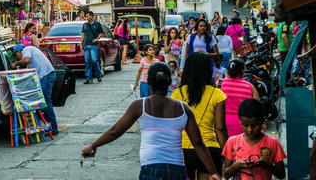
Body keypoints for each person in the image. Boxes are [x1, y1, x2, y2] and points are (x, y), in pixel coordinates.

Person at [82, 62, 222, 180]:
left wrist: (93, 145)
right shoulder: (183, 108)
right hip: (177, 170)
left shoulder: (140, 106)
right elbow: (198, 143)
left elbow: (115, 131)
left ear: (148, 82)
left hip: (151, 169)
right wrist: (213, 172)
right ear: (170, 81)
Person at [171, 53, 228, 180]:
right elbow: (220, 128)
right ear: (208, 70)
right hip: (209, 150)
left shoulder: (177, 94)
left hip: (182, 150)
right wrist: (226, 155)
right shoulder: (217, 94)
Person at [222, 98, 286, 180]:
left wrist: (268, 165)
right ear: (240, 121)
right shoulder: (232, 142)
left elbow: (282, 174)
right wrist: (235, 166)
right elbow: (226, 174)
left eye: (254, 125)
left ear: (262, 121)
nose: (249, 130)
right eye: (245, 125)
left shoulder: (273, 143)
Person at [11, 44, 59, 135]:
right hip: (46, 75)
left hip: (46, 75)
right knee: (43, 101)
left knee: (45, 101)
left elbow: (26, 60)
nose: (18, 58)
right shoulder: (30, 51)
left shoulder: (27, 49)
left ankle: (54, 127)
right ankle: (49, 126)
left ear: (19, 52)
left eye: (17, 56)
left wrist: (16, 64)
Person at [221, 60, 259, 138]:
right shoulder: (250, 87)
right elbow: (258, 109)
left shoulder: (219, 84)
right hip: (243, 128)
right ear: (242, 71)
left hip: (222, 127)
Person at [81, 11, 104, 84]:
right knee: (87, 62)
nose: (86, 17)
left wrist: (97, 39)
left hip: (93, 45)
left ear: (91, 16)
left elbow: (101, 33)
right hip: (86, 45)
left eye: (87, 16)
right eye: (86, 16)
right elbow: (83, 35)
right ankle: (89, 78)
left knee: (94, 61)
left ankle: (98, 75)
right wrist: (81, 44)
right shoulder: (85, 25)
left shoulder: (97, 24)